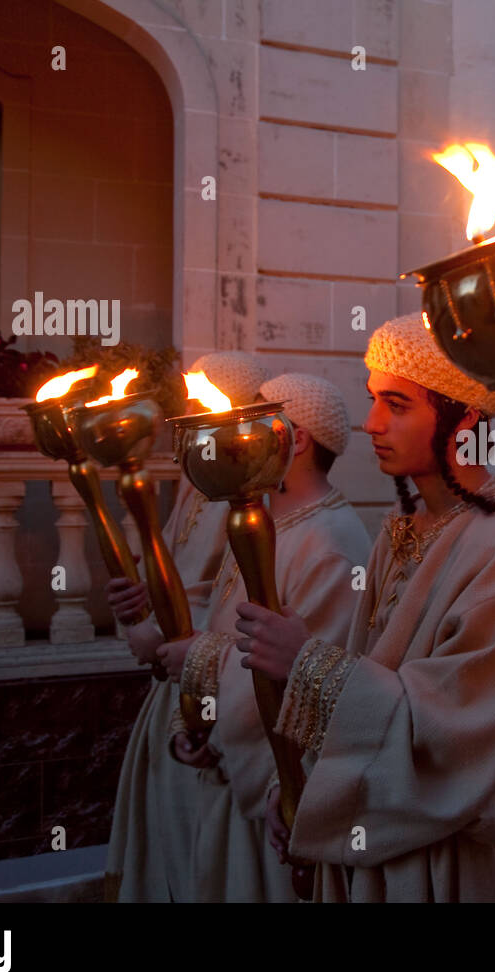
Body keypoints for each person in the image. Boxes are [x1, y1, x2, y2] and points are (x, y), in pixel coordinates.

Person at [241, 312, 495, 902]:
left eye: (396, 404)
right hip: (363, 849)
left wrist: (306, 663)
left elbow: (462, 740)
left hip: (442, 868)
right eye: (373, 400)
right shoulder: (401, 527)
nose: (371, 424)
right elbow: (365, 675)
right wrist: (292, 784)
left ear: (463, 416)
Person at [154, 373, 370, 901]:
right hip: (231, 771)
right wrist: (200, 717)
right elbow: (226, 620)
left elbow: (307, 678)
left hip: (276, 787)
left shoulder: (332, 544)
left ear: (296, 439)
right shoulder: (265, 516)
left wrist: (199, 661)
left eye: (254, 425)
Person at [103, 350, 266, 902]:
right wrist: (141, 602)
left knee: (204, 853)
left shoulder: (249, 492)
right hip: (170, 695)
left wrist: (171, 631)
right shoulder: (194, 479)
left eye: (201, 406)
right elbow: (173, 571)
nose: (187, 421)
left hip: (208, 692)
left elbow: (237, 604)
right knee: (165, 841)